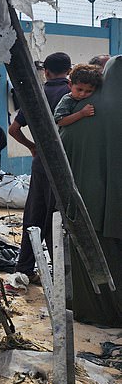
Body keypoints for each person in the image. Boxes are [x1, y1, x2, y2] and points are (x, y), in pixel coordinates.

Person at [61, 55, 122, 327]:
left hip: (89, 206)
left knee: (93, 262)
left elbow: (61, 154)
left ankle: (97, 312)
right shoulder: (84, 107)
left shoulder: (83, 112)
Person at [8, 52, 71, 284]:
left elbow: (13, 129)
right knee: (58, 218)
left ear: (46, 71)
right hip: (65, 165)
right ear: (69, 71)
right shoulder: (73, 94)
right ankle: (60, 276)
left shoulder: (37, 95)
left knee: (34, 215)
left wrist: (33, 147)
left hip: (40, 163)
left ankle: (24, 268)